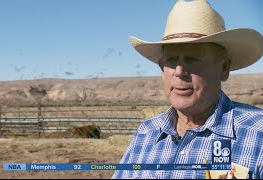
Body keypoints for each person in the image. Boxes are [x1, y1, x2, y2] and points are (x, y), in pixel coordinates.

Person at [112, 0, 263, 179]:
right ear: (161, 67)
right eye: (171, 60)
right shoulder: (146, 134)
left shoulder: (257, 134)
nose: (179, 71)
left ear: (223, 68)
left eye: (193, 59)